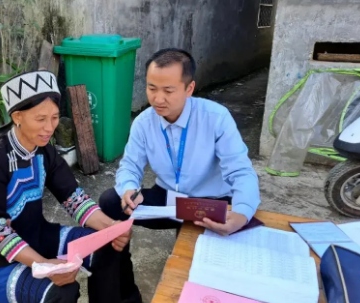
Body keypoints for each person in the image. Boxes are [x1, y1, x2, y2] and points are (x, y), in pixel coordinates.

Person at [0, 70, 133, 303]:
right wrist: (43, 265)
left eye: (55, 117)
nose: (50, 128)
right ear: (17, 116)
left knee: (107, 246)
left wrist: (112, 228)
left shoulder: (44, 150)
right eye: (40, 119)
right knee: (59, 293)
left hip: (35, 236)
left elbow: (74, 199)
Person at [99, 48, 261, 299]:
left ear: (189, 88)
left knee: (206, 269)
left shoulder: (216, 118)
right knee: (109, 204)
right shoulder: (144, 123)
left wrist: (241, 214)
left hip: (210, 203)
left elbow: (241, 172)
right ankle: (123, 296)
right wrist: (129, 188)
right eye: (152, 88)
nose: (158, 99)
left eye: (168, 90)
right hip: (168, 200)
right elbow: (130, 166)